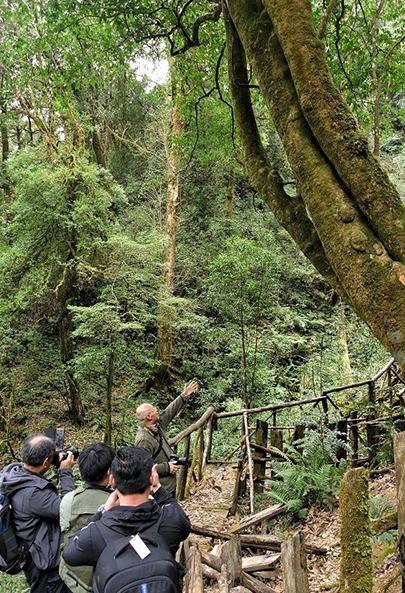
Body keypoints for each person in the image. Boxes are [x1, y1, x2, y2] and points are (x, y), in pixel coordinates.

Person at [63, 446, 191, 592]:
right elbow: (182, 521)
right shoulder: (170, 521)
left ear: (112, 480)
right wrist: (158, 489)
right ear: (152, 478)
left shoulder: (97, 532)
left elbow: (69, 554)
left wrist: (103, 511)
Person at [0, 433, 75, 593]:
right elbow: (68, 509)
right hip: (45, 565)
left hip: (31, 554)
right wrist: (66, 473)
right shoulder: (35, 493)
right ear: (46, 462)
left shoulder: (14, 474)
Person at [59, 443, 115, 593]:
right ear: (110, 472)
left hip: (73, 577)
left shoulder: (68, 500)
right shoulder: (116, 503)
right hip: (106, 578)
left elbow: (65, 531)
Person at [134, 379, 199, 495]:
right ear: (149, 416)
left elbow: (169, 412)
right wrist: (166, 467)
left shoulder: (156, 426)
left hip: (169, 486)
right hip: (158, 490)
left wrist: (184, 396)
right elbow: (142, 469)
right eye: (154, 409)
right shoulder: (143, 440)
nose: (156, 410)